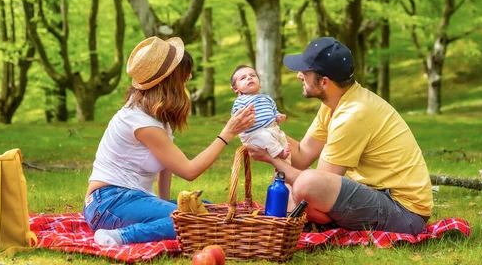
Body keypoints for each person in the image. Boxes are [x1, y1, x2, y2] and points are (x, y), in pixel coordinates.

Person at [246, 37, 433, 235]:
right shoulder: (335, 104)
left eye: (306, 72)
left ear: (324, 82)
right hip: (377, 196)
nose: (299, 75)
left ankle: (320, 223)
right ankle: (314, 220)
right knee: (284, 178)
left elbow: (317, 183)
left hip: (404, 213)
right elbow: (301, 154)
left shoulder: (353, 114)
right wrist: (266, 129)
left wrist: (271, 159)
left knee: (303, 183)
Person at [84, 36, 255, 246]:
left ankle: (144, 227)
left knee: (206, 208)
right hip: (109, 204)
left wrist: (162, 204)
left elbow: (165, 164)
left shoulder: (154, 114)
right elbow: (189, 171)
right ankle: (120, 237)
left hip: (125, 200)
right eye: (185, 74)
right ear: (171, 80)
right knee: (194, 220)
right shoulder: (141, 121)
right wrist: (228, 133)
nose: (189, 77)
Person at [230, 65, 290, 163]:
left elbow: (274, 111)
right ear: (236, 89)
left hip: (272, 129)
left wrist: (278, 117)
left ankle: (285, 169)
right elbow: (235, 117)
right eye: (243, 78)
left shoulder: (267, 98)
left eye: (252, 75)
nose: (249, 78)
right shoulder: (241, 101)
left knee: (283, 138)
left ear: (260, 83)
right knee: (265, 137)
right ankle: (279, 153)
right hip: (254, 133)